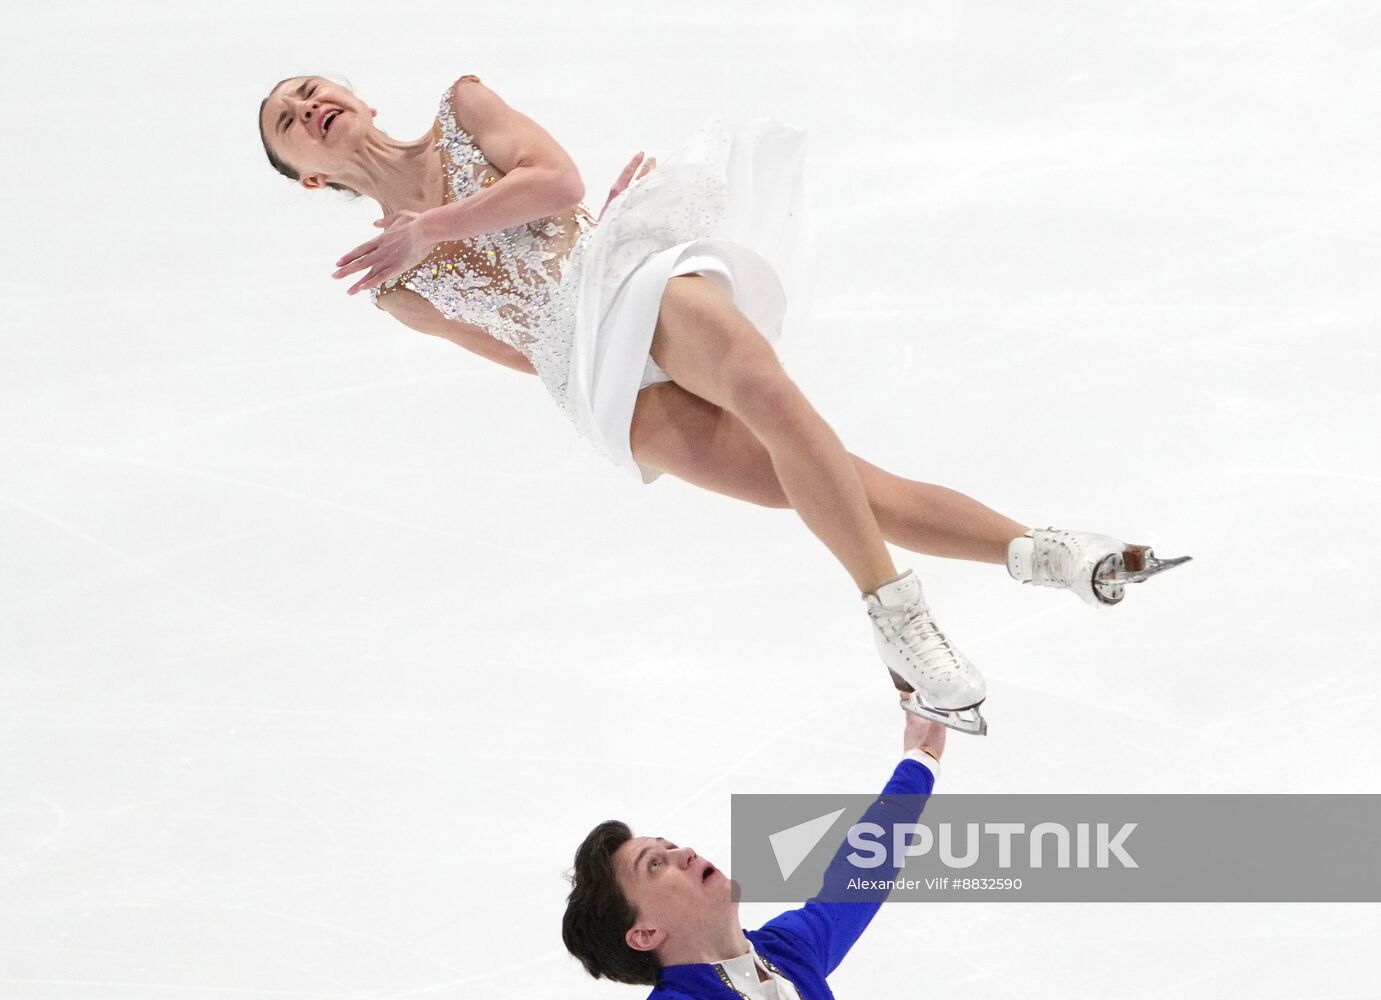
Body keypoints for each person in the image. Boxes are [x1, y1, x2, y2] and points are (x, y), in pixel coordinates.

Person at [257, 73, 1189, 734]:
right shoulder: (392, 289)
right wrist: (578, 367)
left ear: (359, 93)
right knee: (823, 483)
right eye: (289, 122)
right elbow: (513, 350)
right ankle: (1047, 553)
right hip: (585, 368)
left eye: (308, 89)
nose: (308, 107)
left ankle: (900, 629)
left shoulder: (461, 108)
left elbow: (559, 185)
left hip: (619, 268)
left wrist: (444, 226)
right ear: (307, 176)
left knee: (767, 394)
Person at [562, 705, 946, 998]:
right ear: (645, 933)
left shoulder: (785, 952)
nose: (686, 853)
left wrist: (921, 758)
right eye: (655, 865)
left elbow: (860, 872)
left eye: (671, 846)